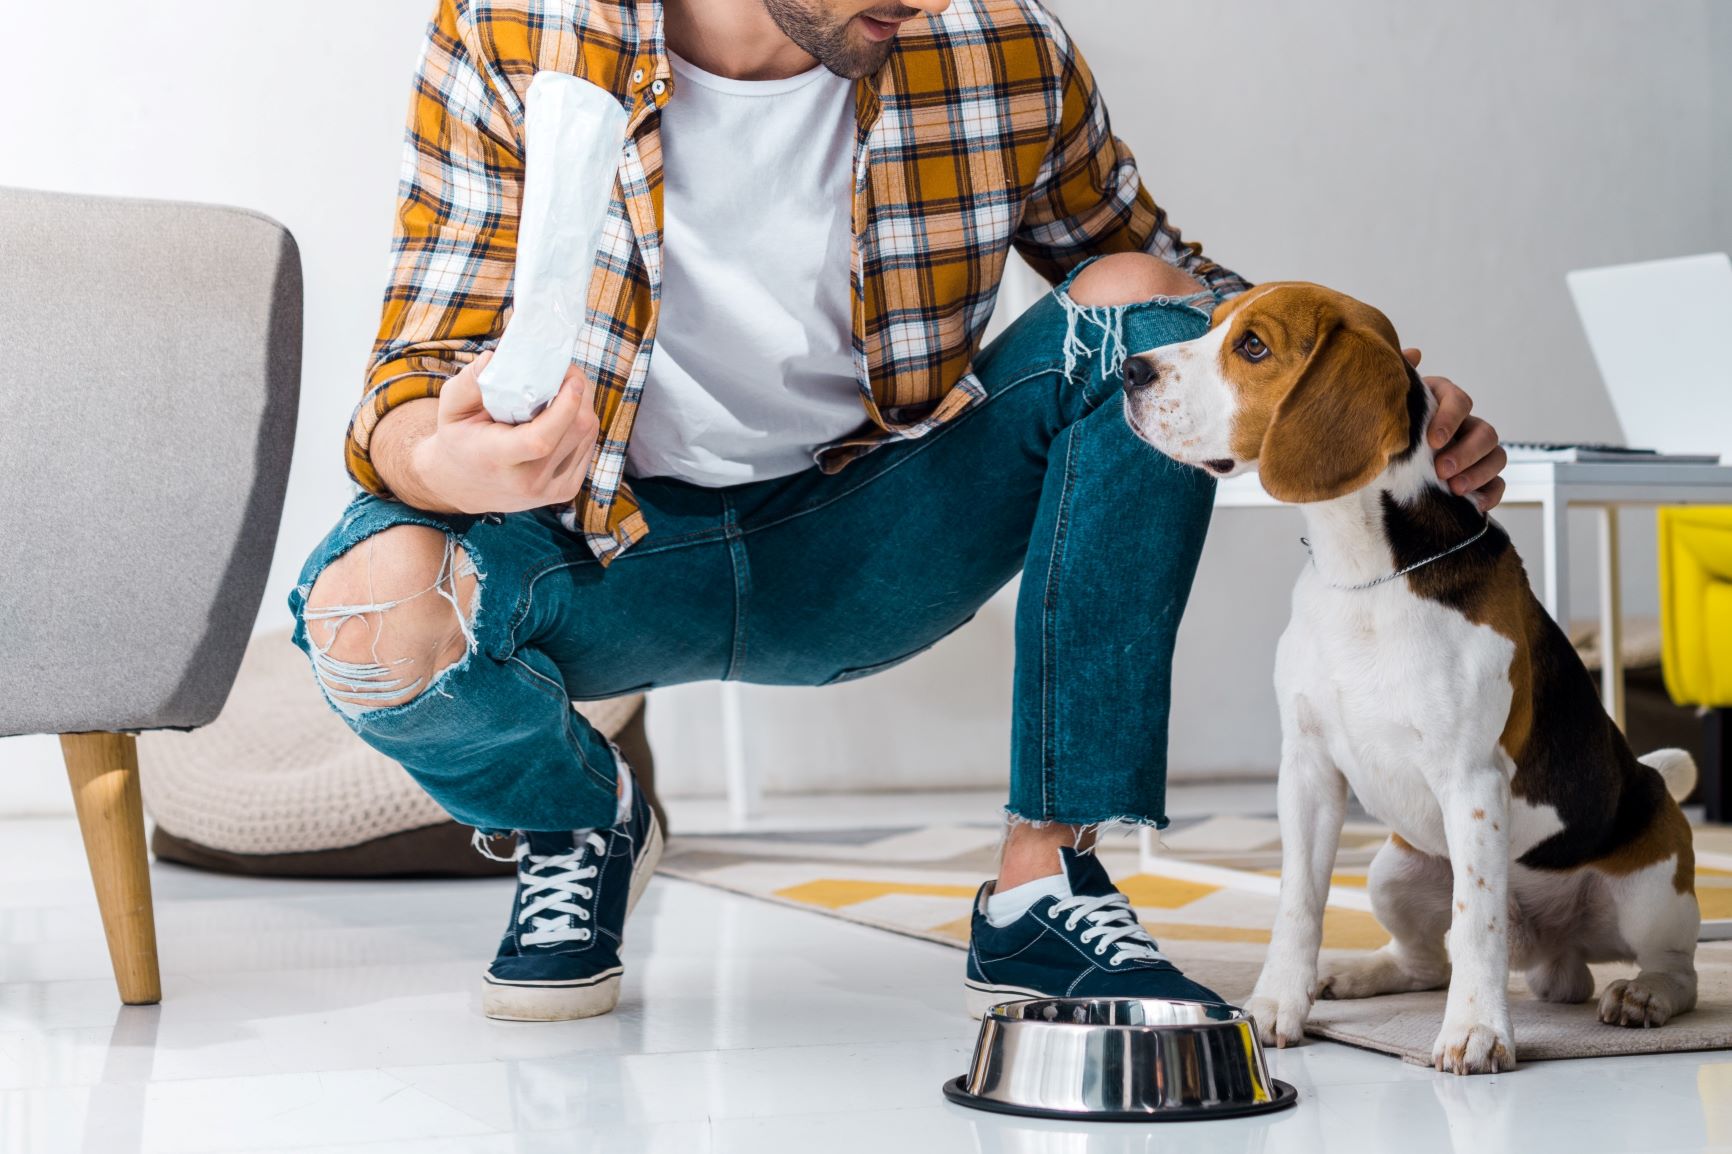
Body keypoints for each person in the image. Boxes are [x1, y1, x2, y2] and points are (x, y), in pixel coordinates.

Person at [290, 0, 1509, 1021]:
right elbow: (409, 374)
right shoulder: (521, 27)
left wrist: (1377, 402)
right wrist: (457, 467)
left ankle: (1044, 881)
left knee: (1142, 310)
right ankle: (579, 819)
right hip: (606, 551)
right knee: (366, 610)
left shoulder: (995, 44)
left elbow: (1187, 307)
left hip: (864, 537)